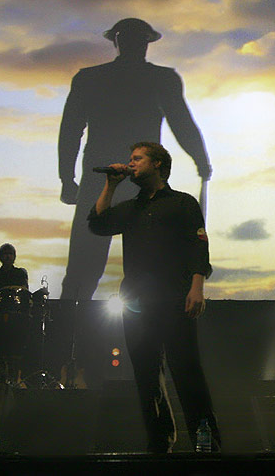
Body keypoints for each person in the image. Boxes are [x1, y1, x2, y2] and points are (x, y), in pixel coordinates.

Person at [58, 17, 211, 303]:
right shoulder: (157, 79)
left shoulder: (92, 78)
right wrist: (202, 163)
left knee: (91, 269)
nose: (134, 45)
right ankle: (68, 334)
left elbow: (70, 132)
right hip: (114, 180)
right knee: (87, 269)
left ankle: (71, 333)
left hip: (121, 181)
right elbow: (182, 124)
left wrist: (67, 179)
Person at [88, 142, 220, 453]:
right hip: (136, 303)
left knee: (186, 370)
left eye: (137, 158)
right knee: (147, 375)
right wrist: (110, 184)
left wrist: (197, 285)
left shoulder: (183, 204)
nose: (130, 163)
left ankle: (206, 441)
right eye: (130, 158)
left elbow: (198, 246)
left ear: (157, 163)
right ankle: (160, 441)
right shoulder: (130, 209)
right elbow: (97, 224)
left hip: (176, 299)